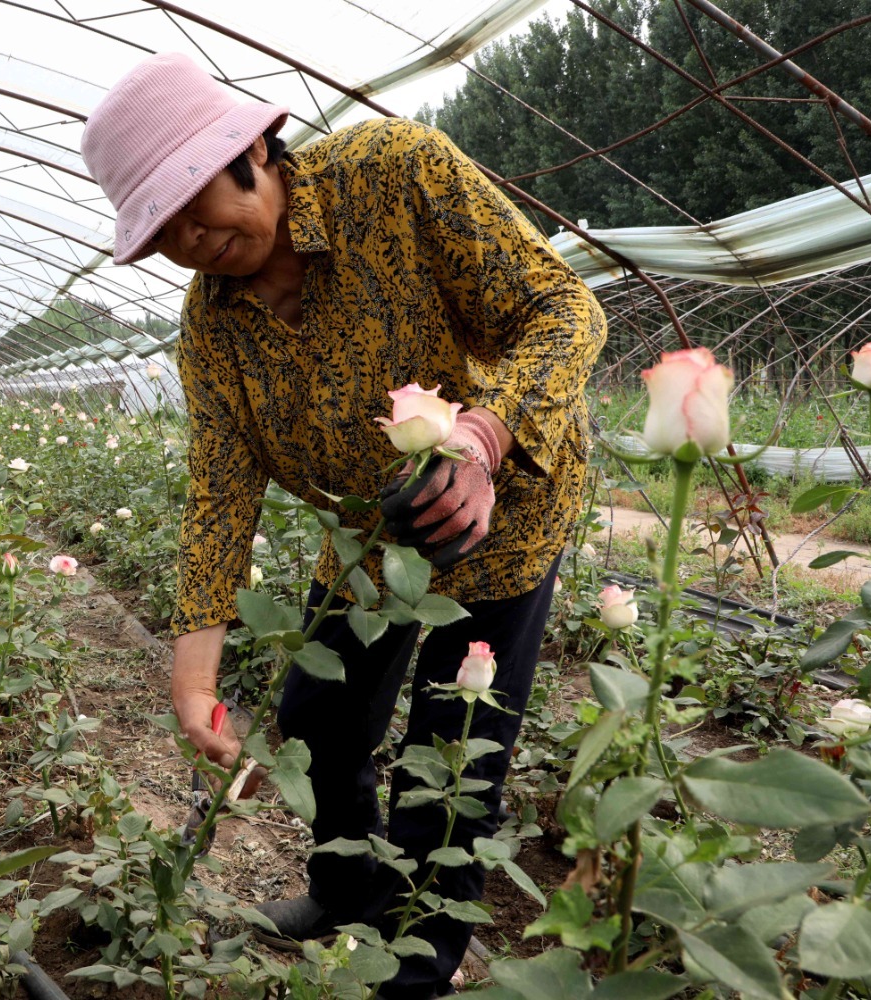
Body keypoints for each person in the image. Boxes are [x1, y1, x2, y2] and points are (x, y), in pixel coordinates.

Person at [81, 53, 606, 998]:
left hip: (498, 523)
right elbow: (220, 492)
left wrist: (484, 435)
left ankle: (416, 972)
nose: (192, 237)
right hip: (368, 542)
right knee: (317, 719)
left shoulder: (396, 175)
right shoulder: (214, 328)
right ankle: (342, 890)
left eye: (194, 201)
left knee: (448, 764)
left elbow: (566, 311)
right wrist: (192, 679)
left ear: (251, 149)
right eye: (162, 229)